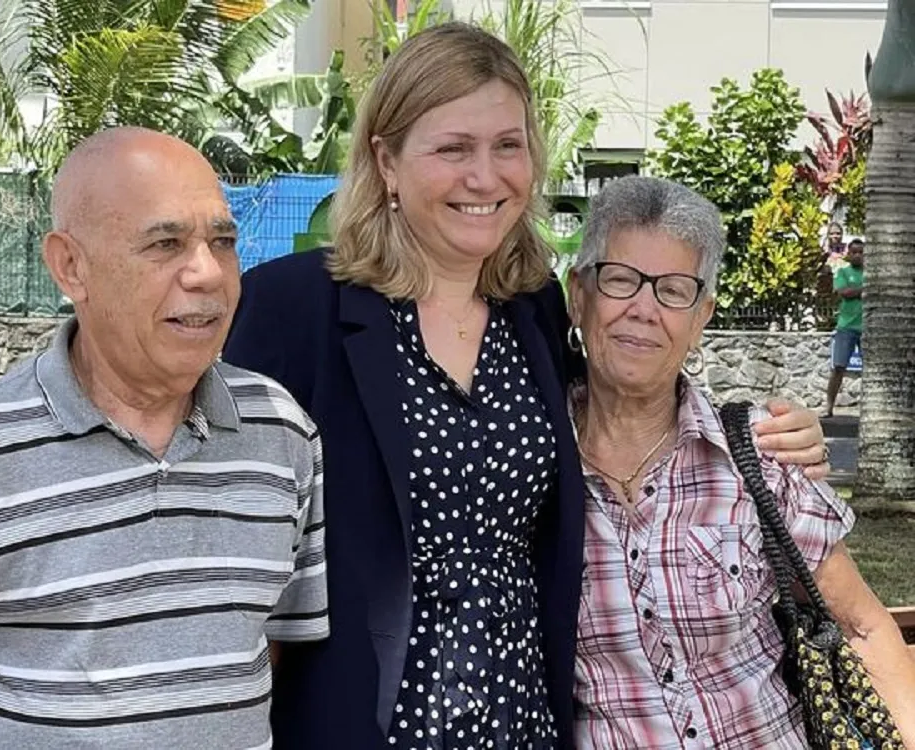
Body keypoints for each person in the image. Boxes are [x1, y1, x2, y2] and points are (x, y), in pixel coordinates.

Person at [223, 23, 829, 750]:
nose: (486, 178)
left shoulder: (533, 308)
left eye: (507, 146)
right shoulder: (293, 308)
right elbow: (231, 548)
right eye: (454, 149)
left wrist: (770, 432)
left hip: (524, 718)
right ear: (386, 161)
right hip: (367, 723)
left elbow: (624, 400)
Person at [0, 128, 328, 749]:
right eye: (165, 243)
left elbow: (270, 643)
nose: (207, 273)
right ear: (70, 266)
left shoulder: (281, 432)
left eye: (223, 242)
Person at [567, 176, 915, 748]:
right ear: (578, 296)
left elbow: (861, 628)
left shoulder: (758, 452)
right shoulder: (528, 466)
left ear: (701, 317)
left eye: (673, 290)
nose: (644, 309)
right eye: (621, 280)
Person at [824, 238, 864, 417]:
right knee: (838, 368)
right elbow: (844, 292)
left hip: (867, 329)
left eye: (860, 252)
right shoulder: (843, 272)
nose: (857, 255)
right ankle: (828, 407)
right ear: (848, 254)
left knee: (869, 371)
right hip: (846, 327)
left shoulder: (871, 273)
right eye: (854, 252)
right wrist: (864, 289)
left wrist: (857, 290)